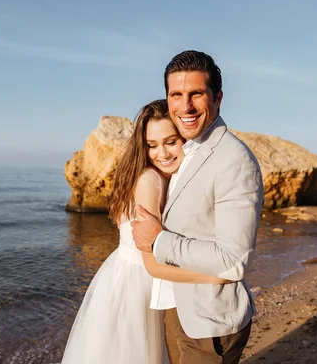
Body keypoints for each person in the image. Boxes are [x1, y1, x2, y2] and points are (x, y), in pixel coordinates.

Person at [61, 99, 229, 364]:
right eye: (152, 145)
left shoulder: (155, 177)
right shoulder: (151, 181)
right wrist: (213, 277)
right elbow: (151, 263)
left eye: (171, 142)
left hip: (122, 275)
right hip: (137, 284)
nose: (162, 153)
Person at [132, 50, 264, 364]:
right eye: (176, 95)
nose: (185, 106)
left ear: (217, 98)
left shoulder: (234, 160)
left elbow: (233, 260)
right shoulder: (185, 150)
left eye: (196, 94)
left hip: (210, 323)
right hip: (178, 307)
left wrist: (158, 240)